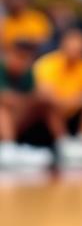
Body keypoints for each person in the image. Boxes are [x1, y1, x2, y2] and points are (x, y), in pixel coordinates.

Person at [32, 27, 82, 167]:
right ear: (63, 45)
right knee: (46, 102)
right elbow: (45, 92)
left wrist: (77, 100)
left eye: (80, 48)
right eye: (73, 47)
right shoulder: (47, 63)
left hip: (76, 111)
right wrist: (72, 99)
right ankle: (63, 143)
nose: (76, 51)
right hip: (51, 112)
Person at [0, 39, 54, 169]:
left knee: (45, 102)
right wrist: (30, 99)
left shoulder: (28, 73)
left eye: (26, 59)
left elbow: (39, 95)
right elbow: (5, 98)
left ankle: (65, 144)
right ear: (9, 55)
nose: (22, 62)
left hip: (17, 119)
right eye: (19, 57)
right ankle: (8, 148)